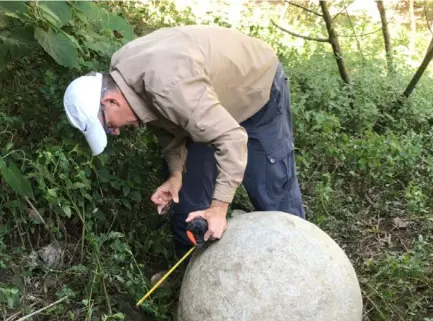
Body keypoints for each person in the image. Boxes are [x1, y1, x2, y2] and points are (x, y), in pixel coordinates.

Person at [63, 25, 305, 260]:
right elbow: (164, 123)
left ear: (111, 102)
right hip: (202, 101)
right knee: (188, 198)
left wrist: (219, 208)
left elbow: (232, 138)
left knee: (272, 193)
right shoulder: (124, 78)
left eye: (108, 126)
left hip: (254, 86)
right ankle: (190, 274)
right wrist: (176, 173)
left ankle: (302, 266)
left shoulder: (170, 87)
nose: (114, 132)